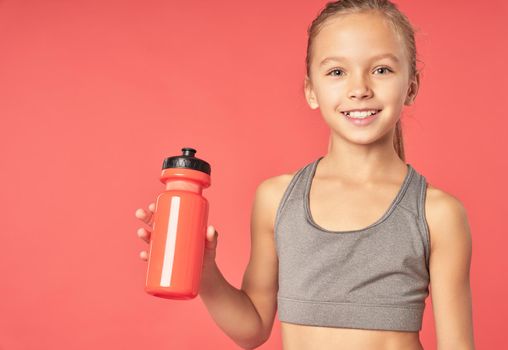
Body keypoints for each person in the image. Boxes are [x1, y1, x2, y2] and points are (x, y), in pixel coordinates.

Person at [135, 0, 475, 348]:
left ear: (412, 86)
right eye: (337, 72)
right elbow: (252, 328)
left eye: (382, 70)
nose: (359, 89)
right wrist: (204, 273)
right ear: (311, 90)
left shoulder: (437, 214)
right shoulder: (278, 199)